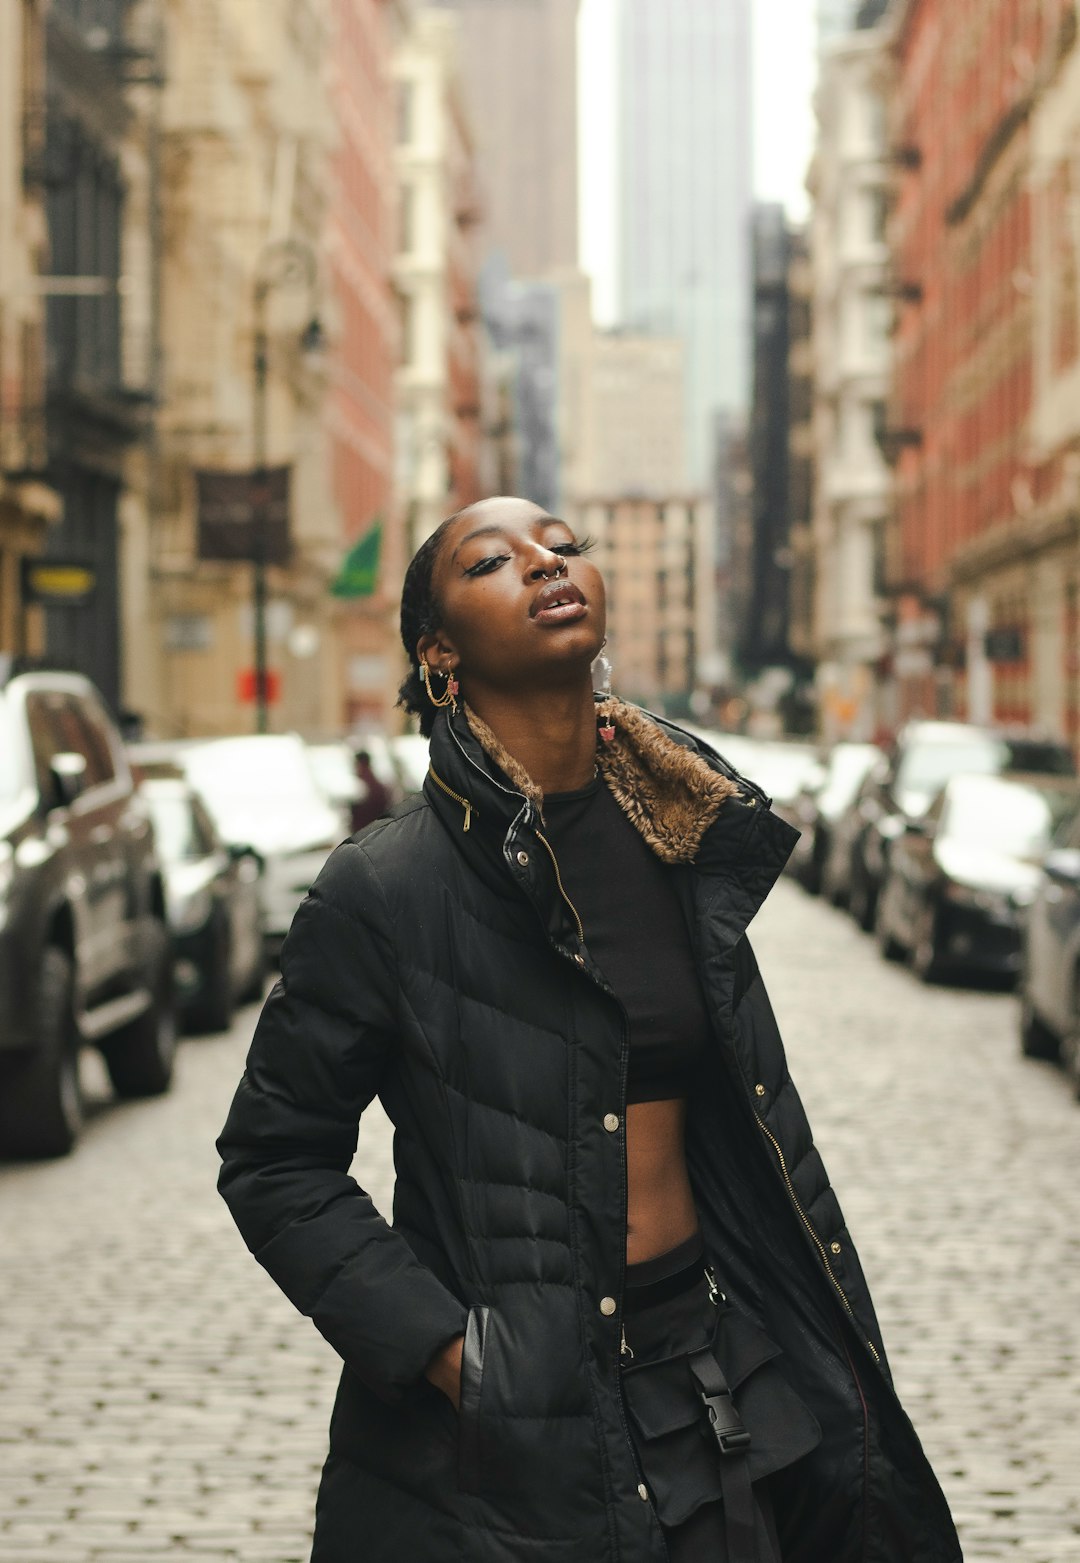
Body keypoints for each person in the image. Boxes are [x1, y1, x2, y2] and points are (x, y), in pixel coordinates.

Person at [217, 497, 962, 1563]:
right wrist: (451, 1356)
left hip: (712, 1369)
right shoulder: (384, 885)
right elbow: (274, 1161)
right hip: (510, 1426)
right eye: (494, 561)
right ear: (440, 654)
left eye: (563, 547)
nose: (544, 563)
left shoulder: (684, 839)